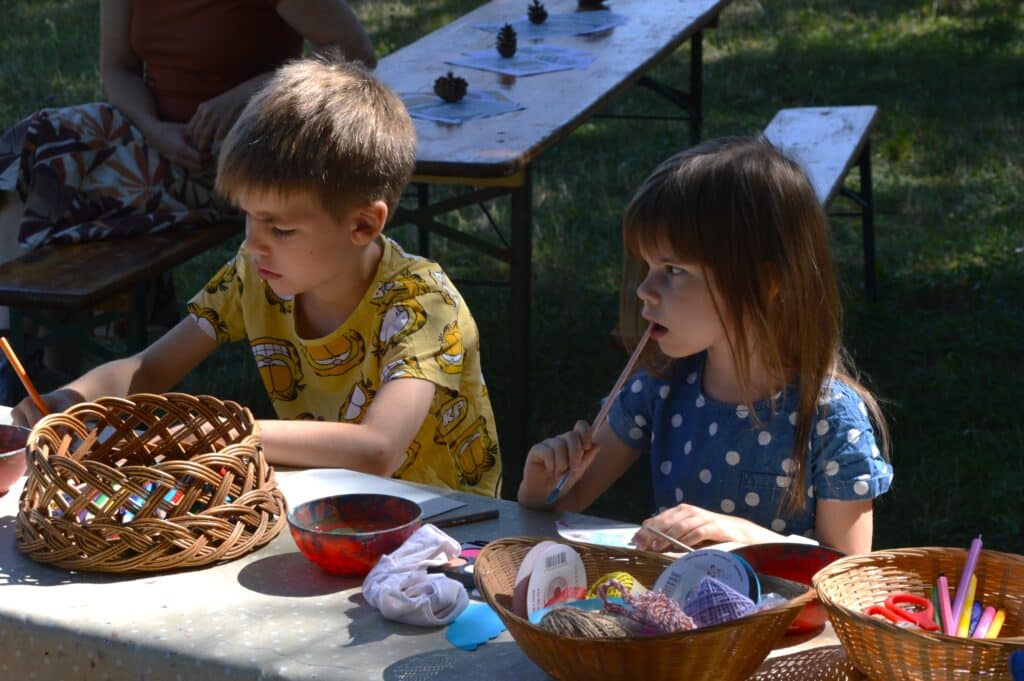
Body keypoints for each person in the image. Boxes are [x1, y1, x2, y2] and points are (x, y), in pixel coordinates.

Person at [12, 55, 503, 498]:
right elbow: (148, 370)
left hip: (448, 534)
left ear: (362, 225)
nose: (253, 243)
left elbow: (377, 449)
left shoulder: (423, 303)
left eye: (281, 228)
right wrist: (72, 399)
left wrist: (222, 433)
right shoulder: (256, 275)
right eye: (249, 216)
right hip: (332, 509)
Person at [518, 137, 892, 555]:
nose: (645, 289)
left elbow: (844, 572)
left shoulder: (827, 415)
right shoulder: (659, 387)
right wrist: (540, 486)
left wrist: (745, 535)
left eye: (674, 269)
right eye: (648, 266)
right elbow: (567, 501)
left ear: (766, 282)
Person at [0, 0, 376, 380]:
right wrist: (154, 130)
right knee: (33, 145)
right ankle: (26, 354)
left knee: (63, 195)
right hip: (152, 139)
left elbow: (355, 51)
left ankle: (34, 364)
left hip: (240, 160)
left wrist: (250, 95)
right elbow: (118, 68)